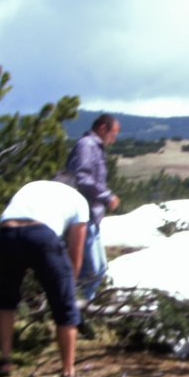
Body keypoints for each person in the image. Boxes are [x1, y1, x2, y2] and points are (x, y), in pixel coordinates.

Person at [0, 180, 89, 377]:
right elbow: (76, 250)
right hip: (41, 235)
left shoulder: (32, 186)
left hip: (6, 232)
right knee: (64, 307)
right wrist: (70, 286)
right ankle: (68, 374)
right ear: (74, 186)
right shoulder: (79, 199)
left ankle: (4, 360)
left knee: (6, 297)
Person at [64, 113, 121, 338]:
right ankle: (75, 318)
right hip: (82, 217)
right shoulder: (87, 145)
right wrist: (107, 196)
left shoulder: (94, 147)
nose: (114, 139)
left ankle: (78, 316)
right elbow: (82, 178)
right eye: (113, 134)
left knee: (97, 270)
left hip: (91, 217)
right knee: (91, 271)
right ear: (103, 128)